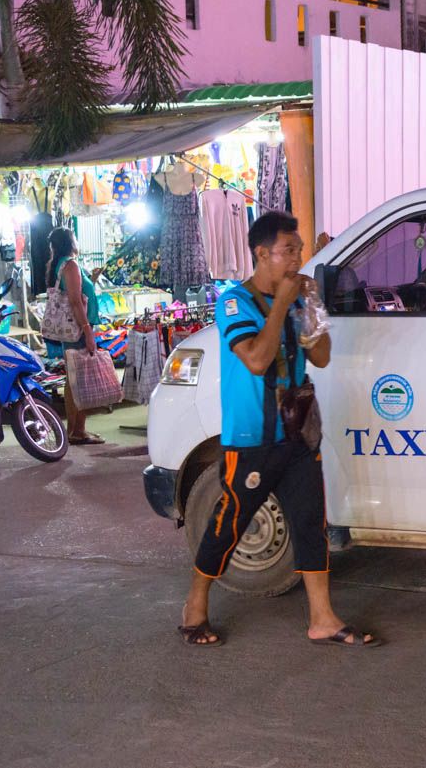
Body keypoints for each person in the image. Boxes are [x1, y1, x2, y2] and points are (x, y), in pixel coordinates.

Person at [179, 211, 380, 648]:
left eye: (300, 250)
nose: (297, 259)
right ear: (261, 254)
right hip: (252, 438)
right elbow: (255, 358)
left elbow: (321, 357)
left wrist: (310, 308)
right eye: (288, 250)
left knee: (311, 522)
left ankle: (322, 618)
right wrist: (284, 305)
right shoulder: (235, 301)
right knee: (230, 522)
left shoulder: (296, 299)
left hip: (298, 434)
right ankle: (194, 606)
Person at [46, 227, 104, 445]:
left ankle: (76, 430)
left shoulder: (61, 264)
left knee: (74, 380)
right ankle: (78, 431)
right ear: (70, 242)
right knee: (79, 380)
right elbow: (75, 301)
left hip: (73, 329)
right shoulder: (69, 265)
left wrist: (91, 280)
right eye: (75, 238)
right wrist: (88, 330)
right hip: (77, 330)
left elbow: (78, 295)